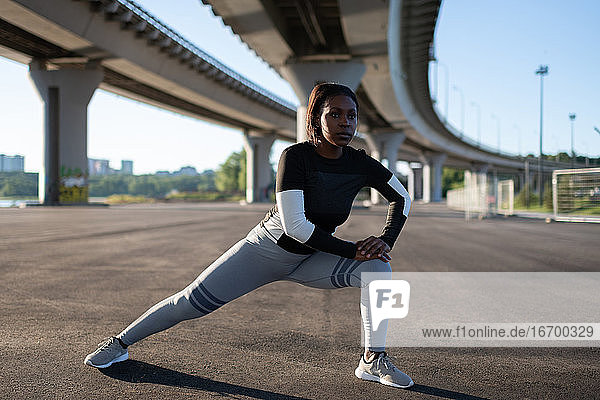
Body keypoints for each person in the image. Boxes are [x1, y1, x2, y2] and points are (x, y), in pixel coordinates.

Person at [84, 83, 413, 389]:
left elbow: (402, 198)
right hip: (265, 251)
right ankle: (120, 342)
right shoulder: (296, 157)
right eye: (335, 114)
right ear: (316, 118)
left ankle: (373, 359)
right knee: (190, 303)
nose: (345, 122)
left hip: (310, 259)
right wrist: (352, 249)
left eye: (351, 115)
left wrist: (385, 240)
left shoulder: (360, 163)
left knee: (378, 269)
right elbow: (295, 226)